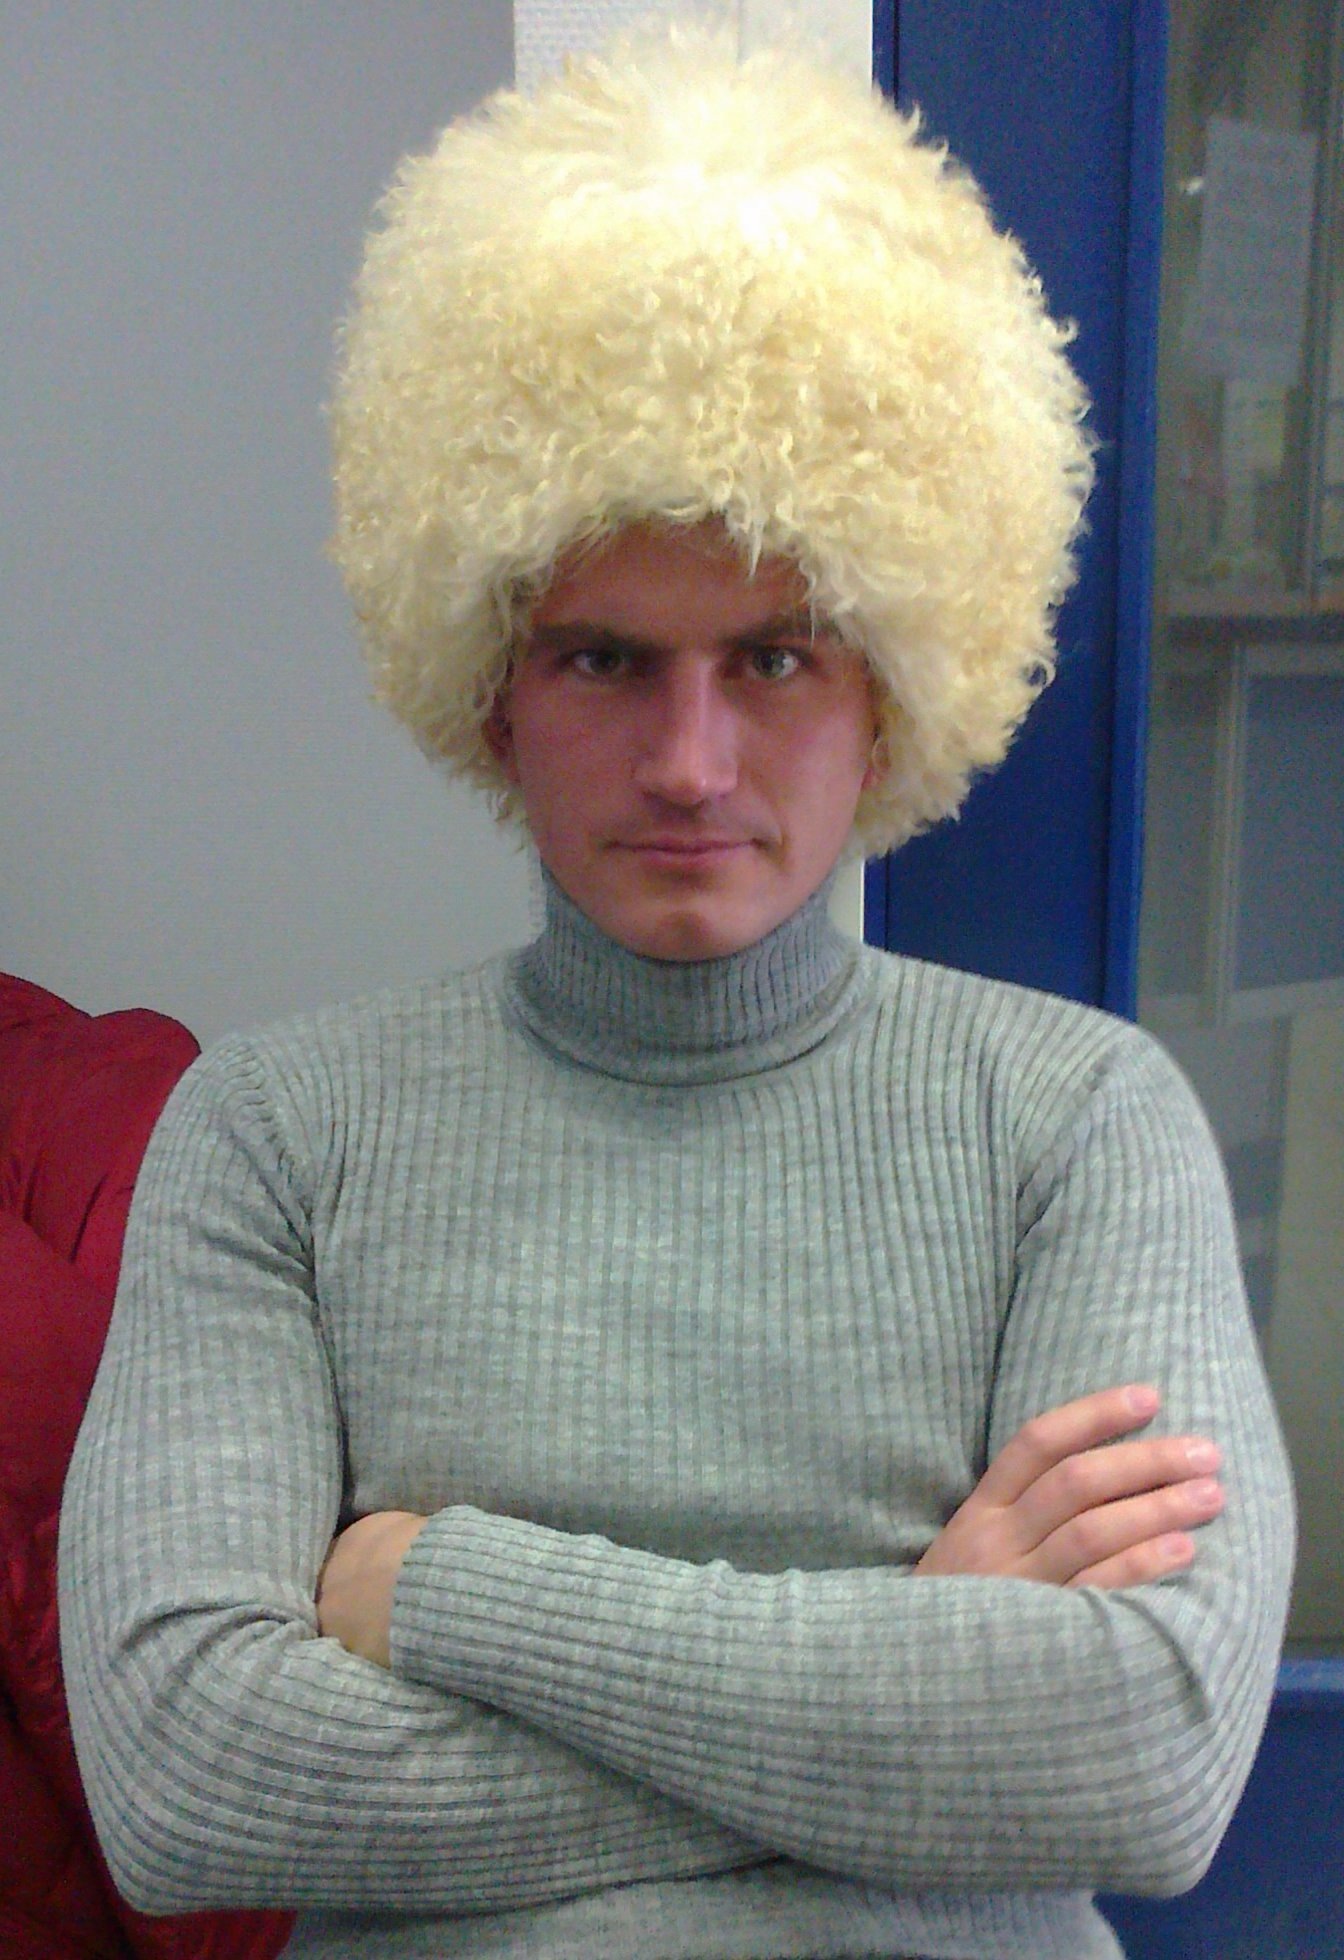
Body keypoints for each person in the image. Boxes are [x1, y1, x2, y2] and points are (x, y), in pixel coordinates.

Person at [60, 23, 1293, 1960]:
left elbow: (1146, 1757)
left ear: (894, 682)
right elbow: (183, 1775)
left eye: (776, 659)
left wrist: (441, 1590)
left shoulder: (1073, 1116)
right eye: (606, 660)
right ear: (492, 682)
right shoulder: (281, 1138)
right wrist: (915, 1671)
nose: (692, 762)